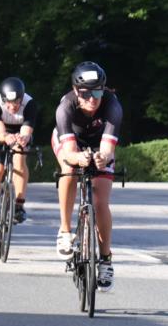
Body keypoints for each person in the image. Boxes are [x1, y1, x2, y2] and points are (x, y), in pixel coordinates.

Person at [52, 62, 122, 293]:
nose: (93, 98)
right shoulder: (65, 107)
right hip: (72, 142)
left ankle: (105, 260)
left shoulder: (112, 106)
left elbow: (108, 150)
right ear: (75, 91)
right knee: (68, 168)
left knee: (101, 200)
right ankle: (64, 231)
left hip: (99, 143)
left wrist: (103, 158)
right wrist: (77, 158)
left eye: (98, 91)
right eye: (86, 93)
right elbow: (70, 150)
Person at [0, 78, 37, 240]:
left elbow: (27, 130)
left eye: (16, 102)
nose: (12, 107)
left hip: (20, 131)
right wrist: (5, 137)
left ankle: (19, 204)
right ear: (3, 99)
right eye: (9, 103)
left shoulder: (30, 104)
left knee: (19, 158)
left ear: (22, 97)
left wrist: (23, 138)